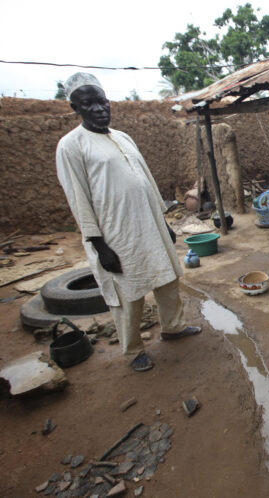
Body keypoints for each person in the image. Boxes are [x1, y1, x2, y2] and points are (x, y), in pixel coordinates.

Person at [56, 72, 201, 373]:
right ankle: (133, 349)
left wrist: (164, 223)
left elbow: (145, 180)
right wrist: (99, 245)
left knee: (167, 278)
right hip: (115, 233)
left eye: (102, 102)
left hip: (149, 224)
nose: (99, 109)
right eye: (89, 104)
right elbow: (78, 198)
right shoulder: (71, 146)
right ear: (76, 108)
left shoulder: (122, 137)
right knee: (128, 292)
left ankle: (173, 327)